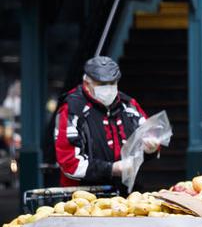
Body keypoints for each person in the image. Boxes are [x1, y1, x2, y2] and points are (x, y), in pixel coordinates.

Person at [54, 56, 159, 189]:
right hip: (83, 196)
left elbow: (149, 136)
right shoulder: (72, 109)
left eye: (113, 83)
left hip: (125, 194)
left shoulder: (128, 105)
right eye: (102, 84)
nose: (108, 88)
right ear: (87, 83)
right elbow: (70, 163)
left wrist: (151, 148)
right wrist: (112, 169)